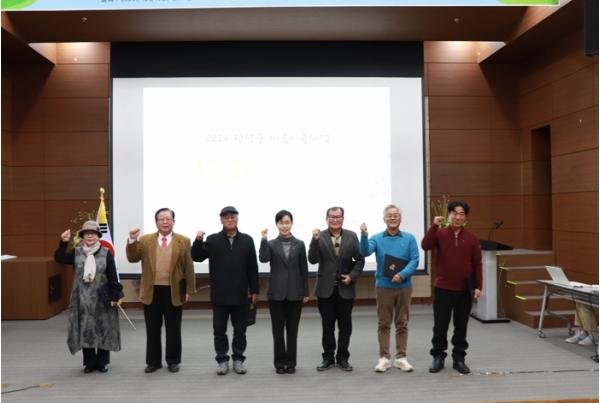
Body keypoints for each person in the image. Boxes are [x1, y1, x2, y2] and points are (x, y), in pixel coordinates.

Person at [126, 208, 196, 374]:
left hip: (174, 291)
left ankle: (173, 361)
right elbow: (132, 258)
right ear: (156, 222)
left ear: (173, 221)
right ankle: (153, 362)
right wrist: (132, 240)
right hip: (152, 291)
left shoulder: (183, 241)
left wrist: (189, 289)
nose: (165, 222)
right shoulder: (145, 240)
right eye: (161, 219)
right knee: (152, 329)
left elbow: (189, 267)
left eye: (168, 219)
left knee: (173, 329)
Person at [191, 206, 259, 375]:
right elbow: (196, 256)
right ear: (221, 220)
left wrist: (254, 290)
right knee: (219, 330)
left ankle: (238, 359)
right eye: (226, 217)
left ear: (237, 219)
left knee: (240, 330)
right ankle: (222, 360)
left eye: (232, 217)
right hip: (220, 295)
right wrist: (198, 240)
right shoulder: (213, 240)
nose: (230, 220)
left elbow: (252, 267)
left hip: (241, 294)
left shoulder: (247, 240)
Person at [421, 200, 482, 375]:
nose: (458, 217)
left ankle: (459, 359)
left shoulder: (471, 237)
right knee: (440, 326)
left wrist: (478, 286)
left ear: (465, 217)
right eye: (455, 213)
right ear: (449, 215)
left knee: (461, 327)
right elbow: (425, 245)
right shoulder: (440, 233)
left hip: (464, 290)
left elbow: (477, 264)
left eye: (461, 214)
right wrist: (434, 226)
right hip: (443, 289)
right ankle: (438, 356)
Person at [54, 220, 123, 373]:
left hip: (102, 299)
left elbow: (113, 277)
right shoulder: (77, 252)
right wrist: (63, 242)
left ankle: (102, 362)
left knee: (104, 329)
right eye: (87, 233)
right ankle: (90, 363)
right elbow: (60, 258)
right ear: (83, 236)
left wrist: (115, 297)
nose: (90, 236)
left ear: (98, 236)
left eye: (93, 233)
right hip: (82, 299)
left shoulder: (106, 253)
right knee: (86, 330)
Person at [360, 204, 419, 373]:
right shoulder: (377, 238)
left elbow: (415, 260)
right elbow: (364, 252)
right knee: (384, 323)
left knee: (402, 323)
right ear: (384, 219)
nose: (393, 218)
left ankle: (401, 358)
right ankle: (384, 358)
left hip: (404, 286)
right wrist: (363, 236)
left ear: (400, 218)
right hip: (384, 287)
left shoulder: (409, 238)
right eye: (389, 215)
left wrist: (402, 274)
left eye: (396, 215)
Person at [309, 206, 364, 372]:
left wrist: (352, 276)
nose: (335, 220)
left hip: (345, 289)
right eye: (331, 217)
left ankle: (342, 358)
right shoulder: (320, 236)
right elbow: (312, 259)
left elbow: (360, 260)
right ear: (327, 219)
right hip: (325, 290)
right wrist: (314, 241)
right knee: (327, 326)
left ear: (343, 219)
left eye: (338, 217)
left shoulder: (352, 236)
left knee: (345, 327)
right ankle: (327, 358)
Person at [259, 210, 310, 374]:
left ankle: (291, 363)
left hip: (295, 293)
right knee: (278, 331)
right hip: (276, 294)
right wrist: (263, 239)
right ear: (277, 224)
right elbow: (264, 258)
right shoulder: (271, 244)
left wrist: (306, 292)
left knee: (292, 331)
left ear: (292, 223)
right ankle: (279, 363)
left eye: (287, 222)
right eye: (281, 223)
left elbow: (304, 269)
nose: (284, 226)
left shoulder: (300, 244)